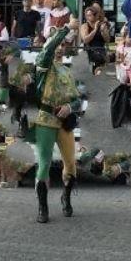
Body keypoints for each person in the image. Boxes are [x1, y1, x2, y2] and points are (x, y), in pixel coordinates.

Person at [33, 24, 82, 223]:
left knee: (70, 165)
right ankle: (42, 207)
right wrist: (65, 29)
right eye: (58, 44)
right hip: (45, 119)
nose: (60, 47)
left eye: (63, 44)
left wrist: (70, 108)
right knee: (44, 164)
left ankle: (66, 197)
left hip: (64, 123)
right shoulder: (43, 63)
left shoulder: (67, 71)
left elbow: (77, 99)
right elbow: (47, 51)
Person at [80, 6, 110, 75]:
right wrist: (95, 29)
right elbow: (85, 40)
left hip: (101, 51)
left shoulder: (102, 25)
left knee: (101, 72)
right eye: (87, 15)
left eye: (90, 15)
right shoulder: (84, 26)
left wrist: (103, 32)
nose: (88, 17)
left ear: (96, 15)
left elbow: (107, 40)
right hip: (89, 52)